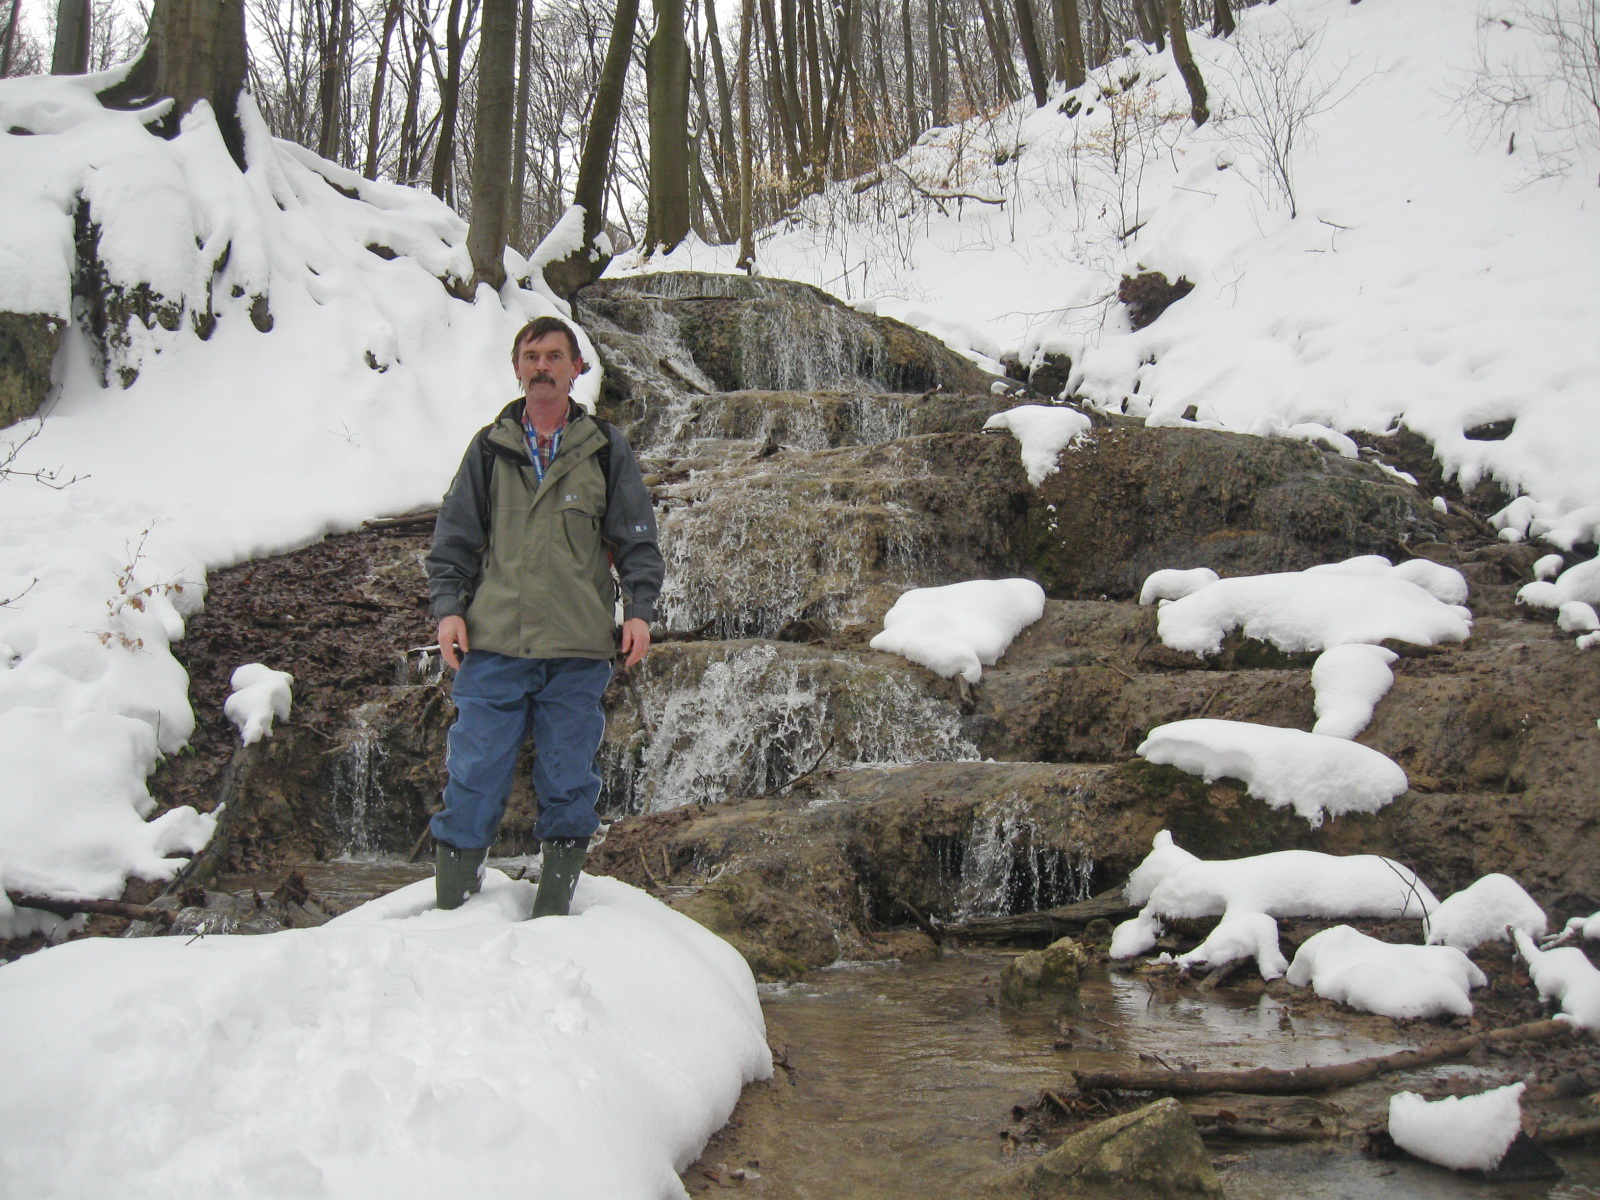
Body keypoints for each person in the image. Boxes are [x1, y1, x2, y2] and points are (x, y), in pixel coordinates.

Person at [425, 314, 663, 916]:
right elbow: (453, 541)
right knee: (473, 775)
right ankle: (453, 911)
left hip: (577, 651)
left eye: (554, 357)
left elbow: (637, 539)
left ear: (576, 368)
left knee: (568, 780)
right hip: (495, 643)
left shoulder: (606, 450)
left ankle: (556, 912)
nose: (542, 368)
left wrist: (638, 611)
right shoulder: (489, 448)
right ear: (516, 369)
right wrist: (449, 611)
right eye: (531, 357)